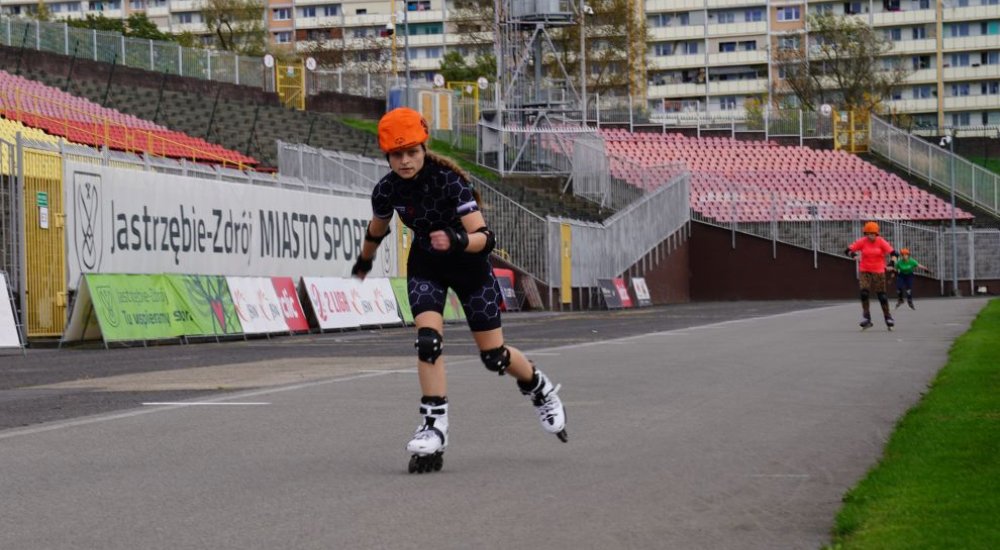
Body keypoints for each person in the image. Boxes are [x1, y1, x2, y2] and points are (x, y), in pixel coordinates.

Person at [351, 107, 568, 474]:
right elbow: (377, 229)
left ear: (424, 147)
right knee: (427, 340)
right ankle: (434, 425)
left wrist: (454, 238)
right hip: (426, 265)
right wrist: (364, 262)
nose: (405, 161)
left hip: (469, 266)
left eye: (412, 152)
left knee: (494, 357)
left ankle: (538, 387)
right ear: (387, 155)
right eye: (397, 155)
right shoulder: (386, 189)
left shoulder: (450, 182)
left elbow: (487, 240)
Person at [844, 221, 899, 329]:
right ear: (866, 234)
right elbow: (847, 250)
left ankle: (888, 317)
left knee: (881, 295)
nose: (871, 236)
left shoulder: (881, 242)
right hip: (865, 270)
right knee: (864, 293)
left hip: (879, 271)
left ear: (876, 234)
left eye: (873, 234)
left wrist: (891, 263)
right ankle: (866, 317)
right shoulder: (863, 241)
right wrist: (854, 255)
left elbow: (894, 253)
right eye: (869, 234)